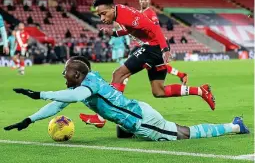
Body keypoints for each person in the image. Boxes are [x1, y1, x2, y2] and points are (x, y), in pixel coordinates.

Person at [3, 56, 249, 142]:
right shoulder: (86, 82)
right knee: (121, 126)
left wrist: (38, 93)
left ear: (77, 74)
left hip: (144, 121)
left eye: (66, 71)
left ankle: (235, 125)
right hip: (135, 111)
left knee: (185, 133)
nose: (62, 74)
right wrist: (29, 119)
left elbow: (73, 95)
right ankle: (125, 127)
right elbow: (59, 103)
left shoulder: (86, 87)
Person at [80, 0, 215, 128]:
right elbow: (130, 29)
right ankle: (201, 91)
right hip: (154, 48)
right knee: (159, 91)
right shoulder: (120, 12)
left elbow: (154, 28)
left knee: (118, 74)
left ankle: (101, 117)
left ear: (112, 8)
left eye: (104, 14)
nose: (102, 18)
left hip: (152, 48)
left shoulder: (125, 15)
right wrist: (114, 34)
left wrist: (164, 49)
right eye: (99, 16)